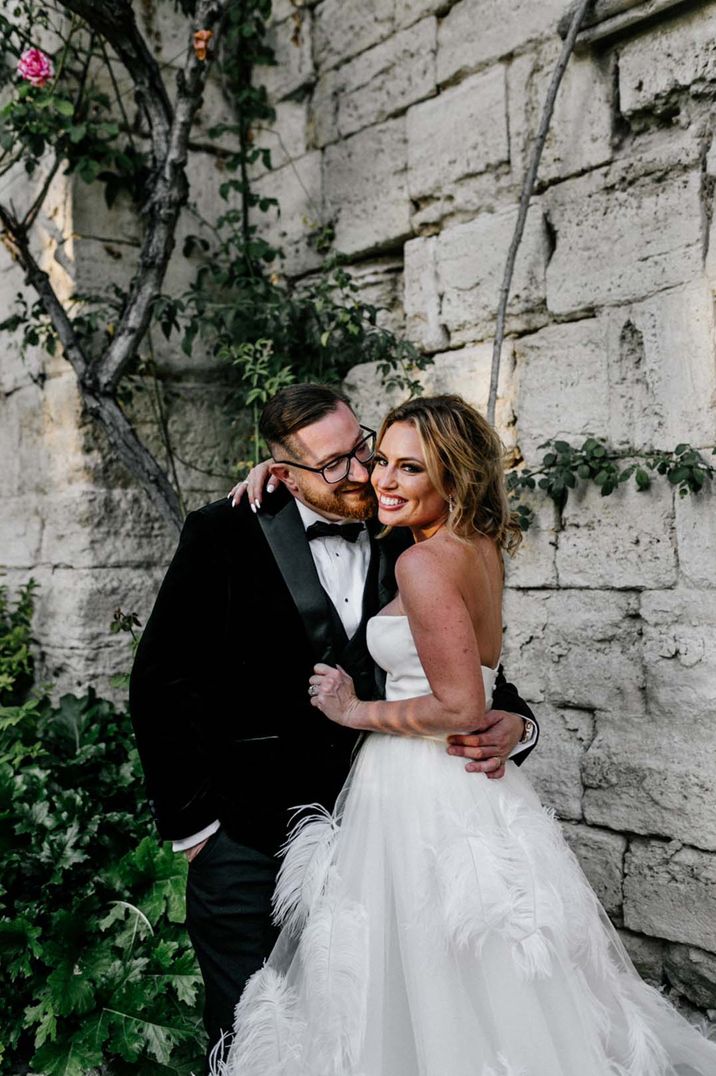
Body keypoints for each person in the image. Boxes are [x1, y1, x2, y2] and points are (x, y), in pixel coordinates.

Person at [215, 394, 716, 1076]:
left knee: (424, 964)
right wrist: (277, 478)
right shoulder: (475, 546)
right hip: (470, 788)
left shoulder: (420, 560)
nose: (381, 479)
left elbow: (459, 703)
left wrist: (355, 711)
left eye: (407, 468)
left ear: (451, 478)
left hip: (420, 787)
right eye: (376, 459)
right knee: (491, 972)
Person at [129, 384, 539, 1071]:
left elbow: (465, 660)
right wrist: (199, 831)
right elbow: (161, 682)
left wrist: (519, 726)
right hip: (249, 837)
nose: (362, 474)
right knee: (256, 1030)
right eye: (334, 465)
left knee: (374, 1033)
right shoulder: (224, 531)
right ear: (282, 473)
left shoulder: (407, 528)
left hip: (384, 841)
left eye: (363, 448)